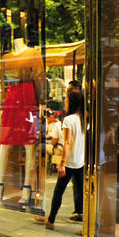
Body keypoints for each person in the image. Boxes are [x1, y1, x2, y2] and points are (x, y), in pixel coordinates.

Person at [37, 90, 85, 229]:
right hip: (80, 161)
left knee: (58, 192)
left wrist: (62, 163)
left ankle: (51, 220)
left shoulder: (68, 120)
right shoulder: (83, 118)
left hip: (70, 162)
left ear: (71, 102)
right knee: (81, 192)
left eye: (66, 100)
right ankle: (81, 221)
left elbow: (68, 142)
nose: (65, 102)